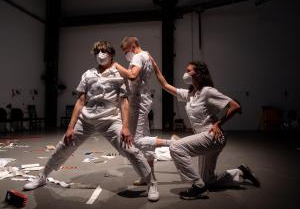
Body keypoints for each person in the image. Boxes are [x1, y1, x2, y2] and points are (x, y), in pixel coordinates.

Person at [23, 40, 159, 202]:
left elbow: (124, 102)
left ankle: (152, 183)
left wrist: (125, 127)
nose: (101, 55)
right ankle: (42, 176)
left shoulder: (118, 75)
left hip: (110, 121)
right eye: (98, 52)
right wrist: (70, 127)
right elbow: (80, 101)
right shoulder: (88, 74)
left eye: (104, 52)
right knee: (63, 147)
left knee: (131, 150)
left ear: (111, 55)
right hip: (86, 120)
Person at [150, 59, 260, 200]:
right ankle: (241, 173)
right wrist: (154, 66)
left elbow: (235, 106)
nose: (186, 73)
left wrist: (218, 124)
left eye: (189, 70)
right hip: (204, 137)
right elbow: (165, 85)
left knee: (176, 147)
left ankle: (199, 187)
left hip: (212, 136)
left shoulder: (207, 91)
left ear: (199, 73)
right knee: (209, 180)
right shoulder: (190, 94)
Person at [114, 36, 173, 197]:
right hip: (142, 100)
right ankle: (148, 177)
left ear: (133, 46)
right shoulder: (147, 55)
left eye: (126, 51)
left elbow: (132, 75)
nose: (126, 55)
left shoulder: (139, 56)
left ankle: (172, 143)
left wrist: (117, 66)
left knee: (137, 140)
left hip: (139, 103)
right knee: (143, 140)